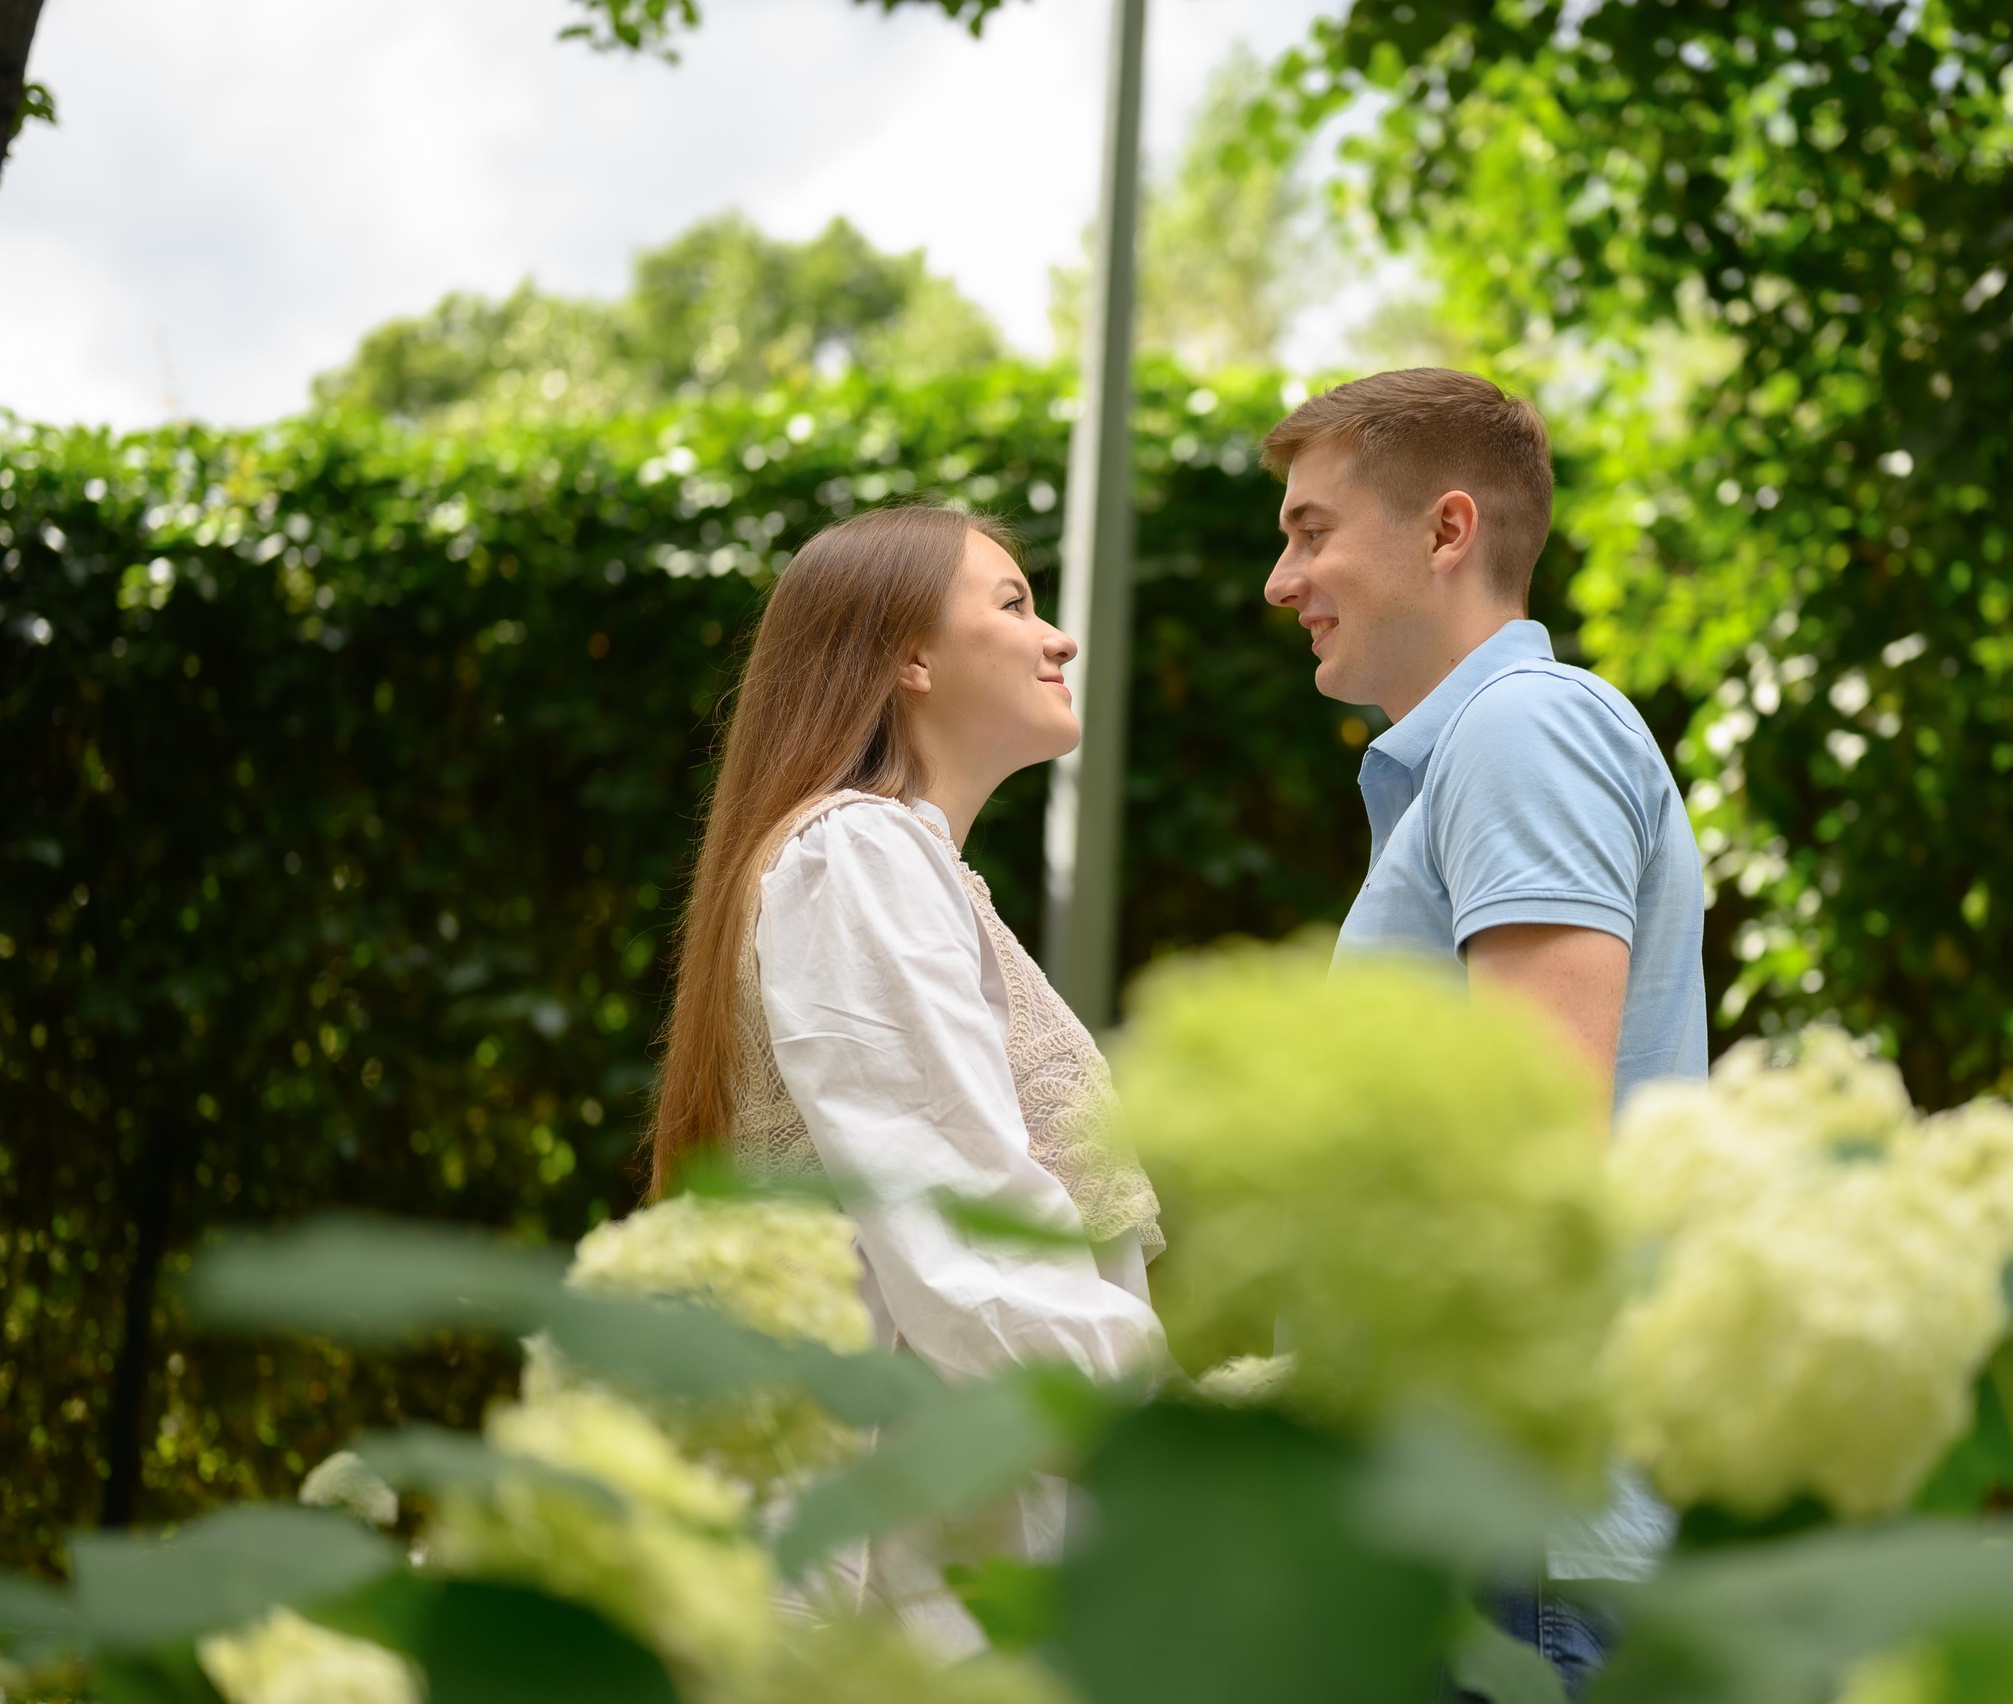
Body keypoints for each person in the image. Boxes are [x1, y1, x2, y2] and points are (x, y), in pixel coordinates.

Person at [1261, 368, 1709, 1694]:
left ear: (1447, 531)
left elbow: (1531, 1150)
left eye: (1309, 531)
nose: (1281, 582)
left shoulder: (1523, 734)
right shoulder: (1475, 758)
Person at [646, 504, 1165, 1646]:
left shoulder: (902, 866)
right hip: (917, 1571)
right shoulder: (856, 855)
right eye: (1015, 602)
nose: (1060, 637)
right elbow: (964, 1236)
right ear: (908, 658)